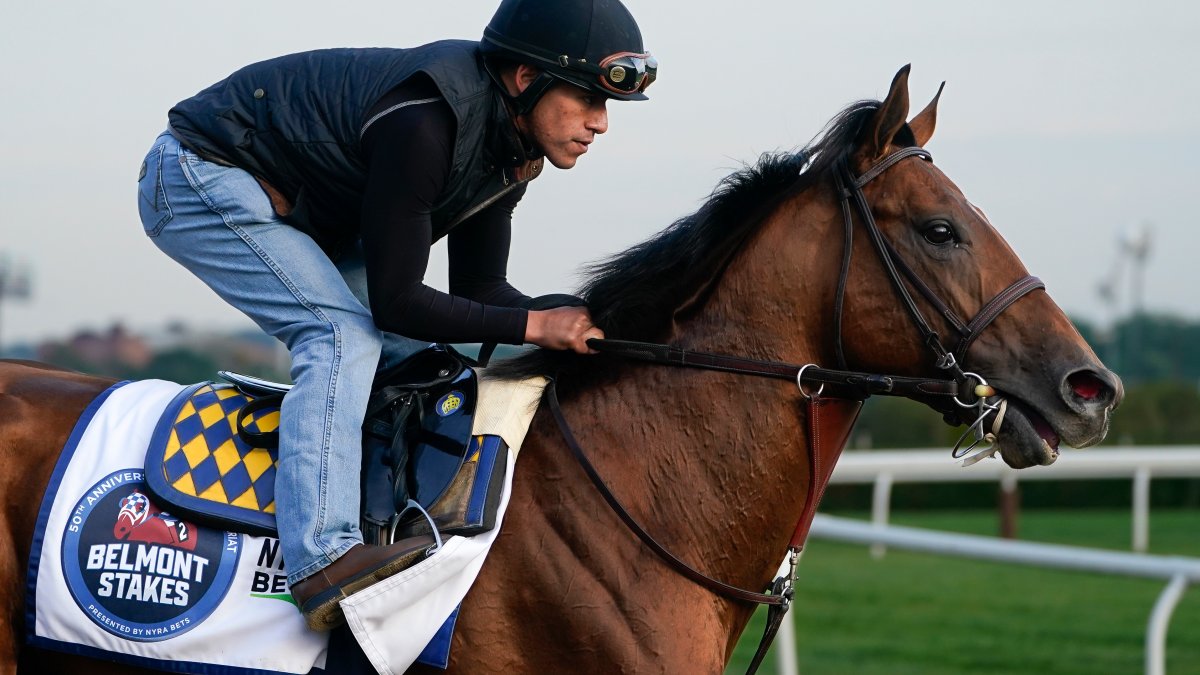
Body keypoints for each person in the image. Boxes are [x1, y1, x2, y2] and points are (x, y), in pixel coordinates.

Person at [135, 0, 656, 631]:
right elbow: (398, 302)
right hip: (199, 174)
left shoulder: (510, 149)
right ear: (526, 78)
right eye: (588, 100)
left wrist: (589, 319)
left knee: (418, 357)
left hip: (299, 208)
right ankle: (321, 560)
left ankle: (383, 513)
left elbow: (483, 292)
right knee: (340, 337)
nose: (601, 123)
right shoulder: (426, 123)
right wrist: (537, 327)